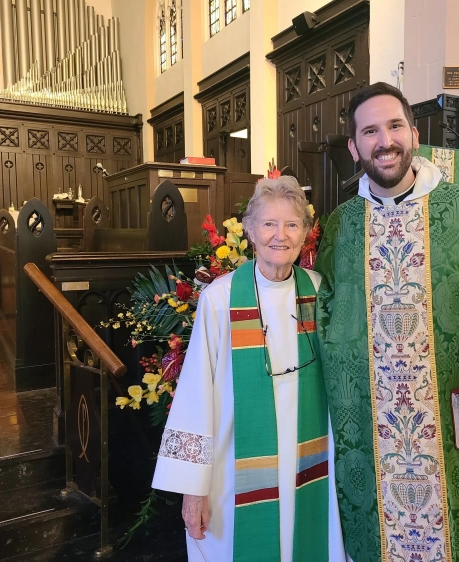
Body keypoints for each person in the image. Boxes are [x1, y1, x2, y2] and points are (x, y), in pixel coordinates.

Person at [315, 82, 459, 562]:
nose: (386, 140)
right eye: (371, 131)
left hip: (450, 425)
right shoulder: (340, 226)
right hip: (371, 432)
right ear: (355, 148)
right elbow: (327, 321)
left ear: (414, 134)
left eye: (395, 125)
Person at [153, 177, 346, 562]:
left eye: (292, 224)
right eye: (269, 224)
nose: (281, 235)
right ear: (251, 231)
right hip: (236, 466)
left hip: (312, 461)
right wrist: (194, 489)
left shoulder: (319, 290)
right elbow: (195, 396)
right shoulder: (220, 298)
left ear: (305, 233)